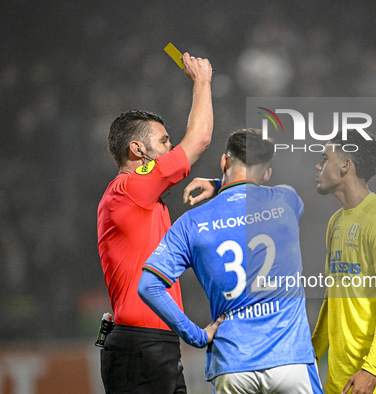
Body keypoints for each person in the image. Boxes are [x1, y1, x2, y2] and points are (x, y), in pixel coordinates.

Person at [138, 129, 323, 394]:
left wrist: (196, 335)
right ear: (267, 174)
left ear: (224, 161)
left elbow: (148, 286)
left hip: (234, 363)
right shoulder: (286, 200)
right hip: (290, 359)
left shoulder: (191, 223)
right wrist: (218, 184)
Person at [97, 53, 215, 394]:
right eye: (164, 141)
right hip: (141, 345)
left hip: (148, 343)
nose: (171, 148)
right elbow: (200, 139)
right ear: (138, 150)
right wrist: (202, 82)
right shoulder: (132, 187)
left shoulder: (136, 198)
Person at [311, 132, 376, 394]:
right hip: (339, 379)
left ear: (345, 165)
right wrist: (312, 353)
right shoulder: (335, 223)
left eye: (324, 159)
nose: (318, 166)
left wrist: (371, 370)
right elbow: (332, 296)